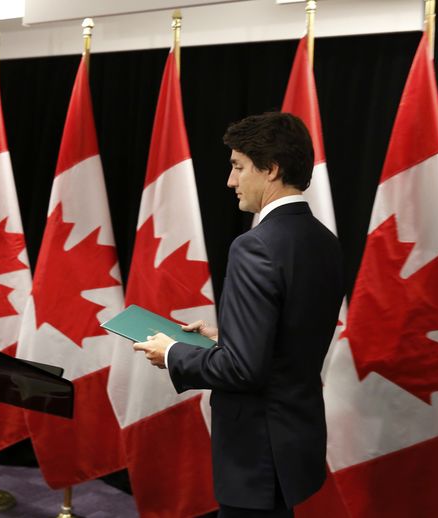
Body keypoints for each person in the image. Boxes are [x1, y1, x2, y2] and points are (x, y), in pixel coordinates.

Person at [134, 112, 344, 517]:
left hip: (257, 454)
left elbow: (244, 370)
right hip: (294, 438)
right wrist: (224, 336)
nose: (230, 181)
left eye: (237, 167)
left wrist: (174, 352)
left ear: (271, 169)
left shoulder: (256, 246)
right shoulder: (324, 240)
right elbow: (290, 337)